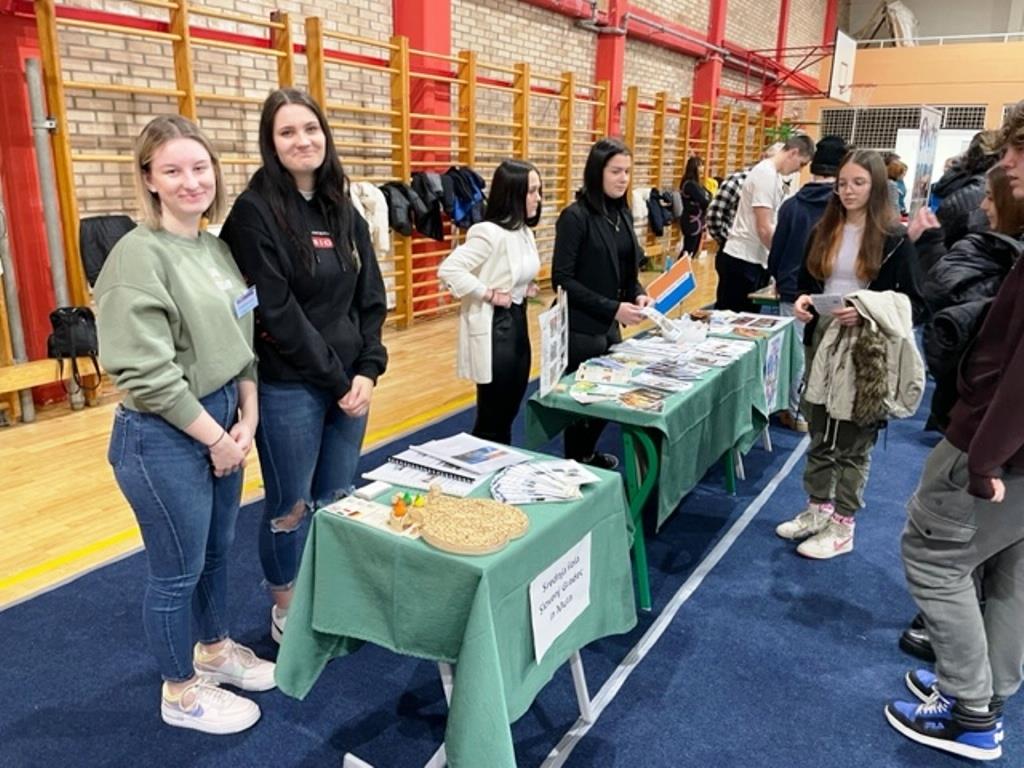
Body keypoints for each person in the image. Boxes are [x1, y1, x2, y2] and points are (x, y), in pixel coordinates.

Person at [94, 115, 274, 734]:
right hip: (163, 437)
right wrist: (218, 438)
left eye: (200, 167)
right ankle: (181, 692)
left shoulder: (215, 247)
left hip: (225, 418)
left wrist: (248, 416)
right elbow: (145, 374)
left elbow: (242, 336)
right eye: (172, 170)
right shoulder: (136, 257)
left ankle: (215, 650)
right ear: (149, 179)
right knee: (176, 573)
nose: (191, 181)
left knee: (216, 553)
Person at [219, 88, 388, 645]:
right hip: (291, 385)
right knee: (291, 504)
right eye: (287, 132)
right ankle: (287, 606)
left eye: (310, 128)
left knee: (336, 496)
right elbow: (277, 313)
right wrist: (339, 381)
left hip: (350, 385)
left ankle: (329, 591)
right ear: (271, 143)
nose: (302, 141)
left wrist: (368, 368)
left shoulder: (343, 206)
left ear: (325, 135)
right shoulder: (254, 213)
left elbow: (370, 296)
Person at [884, 100, 1024, 763]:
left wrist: (984, 457)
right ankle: (984, 695)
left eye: (1020, 151)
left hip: (992, 445)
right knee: (1007, 573)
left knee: (935, 560)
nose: (1008, 163)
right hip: (1007, 449)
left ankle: (969, 711)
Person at [774, 149, 924, 560]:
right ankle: (818, 509)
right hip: (822, 341)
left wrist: (866, 310)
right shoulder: (824, 230)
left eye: (858, 183)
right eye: (843, 183)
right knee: (820, 428)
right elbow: (808, 283)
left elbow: (917, 303)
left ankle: (843, 524)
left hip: (866, 352)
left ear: (876, 186)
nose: (848, 191)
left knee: (854, 440)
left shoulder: (894, 239)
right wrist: (804, 300)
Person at [552, 137, 654, 469]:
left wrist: (638, 292)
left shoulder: (622, 214)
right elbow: (562, 279)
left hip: (610, 324)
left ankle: (586, 455)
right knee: (582, 405)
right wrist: (613, 307)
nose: (623, 178)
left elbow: (627, 270)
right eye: (615, 171)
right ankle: (575, 463)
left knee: (607, 397)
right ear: (597, 172)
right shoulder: (575, 217)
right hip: (581, 327)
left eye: (627, 171)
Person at [437, 160, 542, 445]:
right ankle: (481, 466)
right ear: (513, 194)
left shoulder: (524, 232)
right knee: (492, 418)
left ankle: (499, 462)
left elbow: (509, 273)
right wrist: (489, 294)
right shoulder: (488, 232)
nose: (538, 198)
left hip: (519, 325)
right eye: (532, 191)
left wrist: (523, 287)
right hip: (497, 331)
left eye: (538, 190)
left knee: (509, 411)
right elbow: (449, 270)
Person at [767, 135, 849, 432]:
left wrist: (778, 277)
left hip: (792, 289)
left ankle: (795, 410)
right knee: (829, 350)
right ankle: (821, 407)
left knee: (795, 354)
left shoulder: (791, 205)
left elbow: (776, 251)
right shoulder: (844, 208)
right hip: (833, 291)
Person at [715, 134, 816, 312]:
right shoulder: (765, 174)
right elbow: (764, 228)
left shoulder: (772, 175)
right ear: (793, 152)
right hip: (743, 260)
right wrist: (780, 264)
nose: (799, 171)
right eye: (801, 164)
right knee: (735, 319)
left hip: (752, 259)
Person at [678, 155, 711, 257]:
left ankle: (686, 266)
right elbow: (704, 201)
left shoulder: (698, 184)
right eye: (700, 165)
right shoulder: (689, 184)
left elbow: (709, 195)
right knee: (688, 250)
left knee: (693, 251)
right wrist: (708, 200)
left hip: (699, 221)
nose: (702, 168)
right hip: (691, 221)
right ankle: (679, 267)